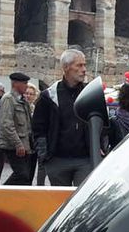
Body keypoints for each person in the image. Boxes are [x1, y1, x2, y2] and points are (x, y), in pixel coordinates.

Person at [32, 49, 93, 187]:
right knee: (60, 200)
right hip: (57, 159)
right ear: (66, 67)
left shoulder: (89, 93)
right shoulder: (48, 96)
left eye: (84, 65)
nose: (84, 69)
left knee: (82, 199)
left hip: (84, 159)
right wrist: (44, 155)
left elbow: (100, 121)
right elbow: (38, 128)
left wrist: (99, 145)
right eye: (79, 65)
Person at [0, 72, 34, 186]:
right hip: (13, 145)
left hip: (24, 144)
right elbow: (6, 124)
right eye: (24, 83)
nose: (26, 86)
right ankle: (1, 194)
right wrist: (18, 144)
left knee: (26, 177)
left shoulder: (22, 101)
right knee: (22, 175)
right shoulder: (8, 99)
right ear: (15, 84)